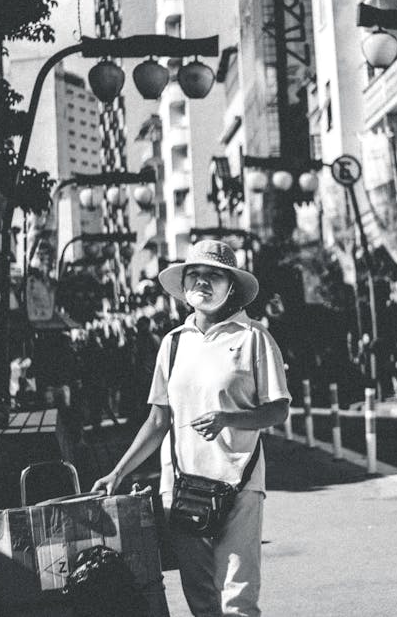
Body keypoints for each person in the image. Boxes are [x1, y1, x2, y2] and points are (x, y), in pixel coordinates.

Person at [92, 240, 291, 617]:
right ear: (184, 288)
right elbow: (157, 420)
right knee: (200, 597)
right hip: (182, 488)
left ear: (231, 286)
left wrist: (228, 419)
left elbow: (278, 410)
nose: (203, 282)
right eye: (195, 275)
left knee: (238, 597)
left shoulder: (253, 338)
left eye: (214, 275)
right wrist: (118, 472)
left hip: (240, 483)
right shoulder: (172, 344)